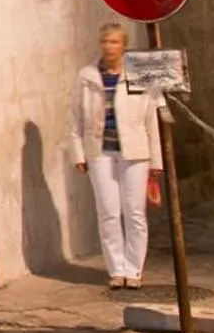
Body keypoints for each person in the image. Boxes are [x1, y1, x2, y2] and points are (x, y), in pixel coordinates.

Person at [69, 22, 162, 289]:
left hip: (134, 151)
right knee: (108, 211)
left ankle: (134, 269)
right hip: (100, 151)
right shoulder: (87, 76)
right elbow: (75, 117)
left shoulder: (137, 75)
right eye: (105, 42)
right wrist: (78, 153)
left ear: (124, 45)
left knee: (134, 212)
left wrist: (156, 161)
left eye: (114, 42)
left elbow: (150, 118)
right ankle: (116, 268)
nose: (109, 47)